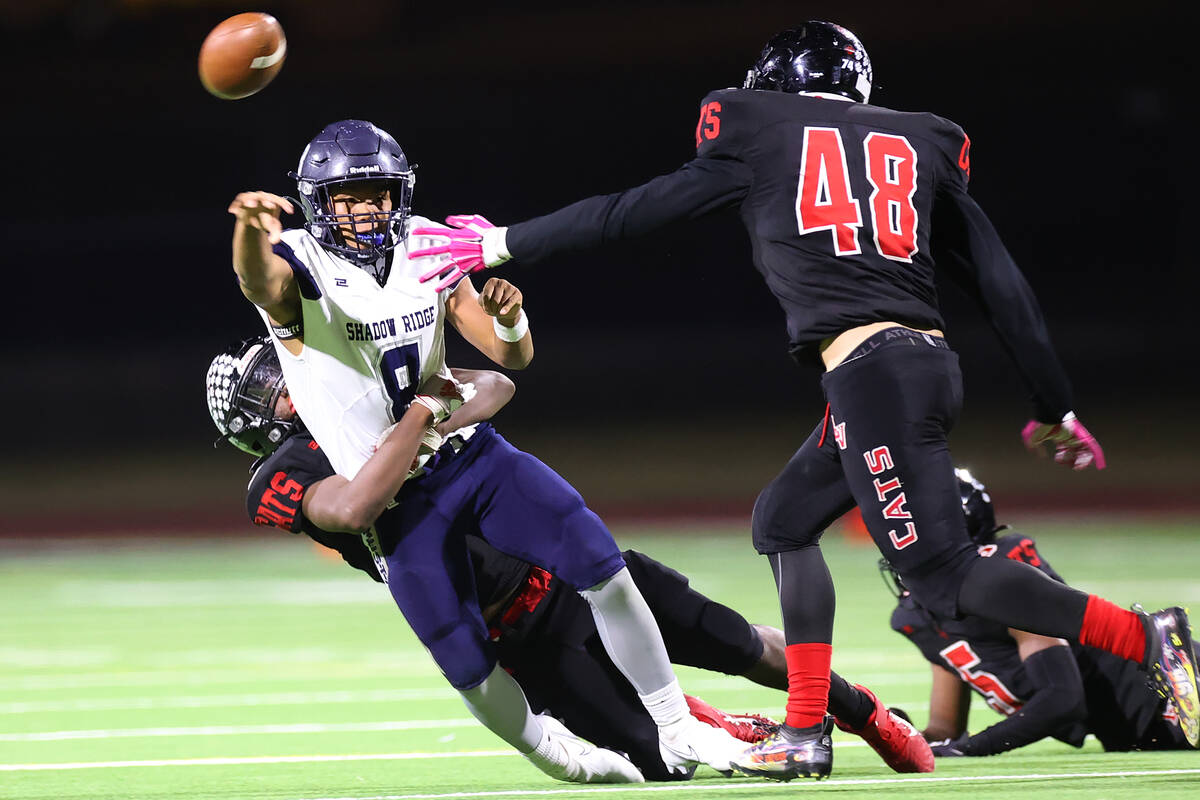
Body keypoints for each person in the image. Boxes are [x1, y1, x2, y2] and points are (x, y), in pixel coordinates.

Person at [408, 21, 1200, 779]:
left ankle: (1144, 636)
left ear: (773, 86)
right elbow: (998, 279)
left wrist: (504, 240)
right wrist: (1052, 402)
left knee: (944, 576)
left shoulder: (755, 126)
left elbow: (636, 210)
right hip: (906, 366)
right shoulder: (921, 139)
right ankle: (806, 730)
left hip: (875, 375)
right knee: (783, 520)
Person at [225, 118, 753, 781]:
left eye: (378, 193)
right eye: (350, 196)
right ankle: (563, 758)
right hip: (396, 499)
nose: (367, 209)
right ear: (317, 202)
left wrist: (510, 317)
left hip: (466, 454)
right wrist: (249, 226)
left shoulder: (424, 244)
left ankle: (677, 725)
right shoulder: (301, 263)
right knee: (468, 665)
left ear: (400, 194)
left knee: (599, 561)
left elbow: (509, 357)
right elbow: (257, 280)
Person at [205, 336, 935, 779]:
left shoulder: (360, 396)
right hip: (518, 638)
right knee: (656, 767)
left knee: (740, 642)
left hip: (563, 573)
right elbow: (356, 502)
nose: (284, 388)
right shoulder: (281, 476)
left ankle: (860, 710)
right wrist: (423, 420)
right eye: (263, 390)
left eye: (279, 371)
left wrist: (428, 409)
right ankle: (732, 726)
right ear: (246, 426)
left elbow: (492, 383)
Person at [885, 469, 1196, 757]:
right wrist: (907, 737)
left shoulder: (998, 586)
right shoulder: (919, 617)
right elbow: (946, 730)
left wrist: (976, 748)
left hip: (1169, 697)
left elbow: (1062, 697)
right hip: (1129, 732)